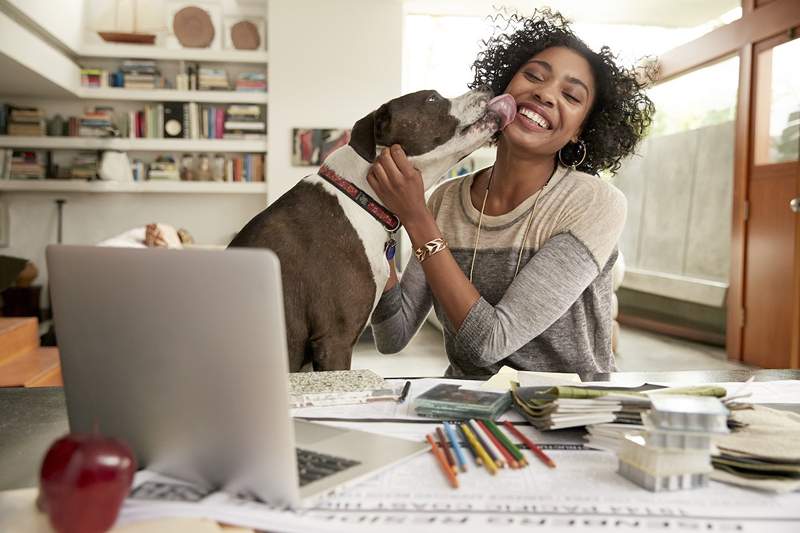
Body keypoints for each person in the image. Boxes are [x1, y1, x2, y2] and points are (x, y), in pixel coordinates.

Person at [367, 10, 654, 377]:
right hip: (467, 409)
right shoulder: (445, 200)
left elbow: (489, 343)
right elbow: (393, 335)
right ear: (505, 90)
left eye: (570, 95)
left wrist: (416, 218)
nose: (545, 93)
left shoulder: (594, 203)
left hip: (565, 414)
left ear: (582, 130)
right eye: (533, 76)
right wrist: (379, 221)